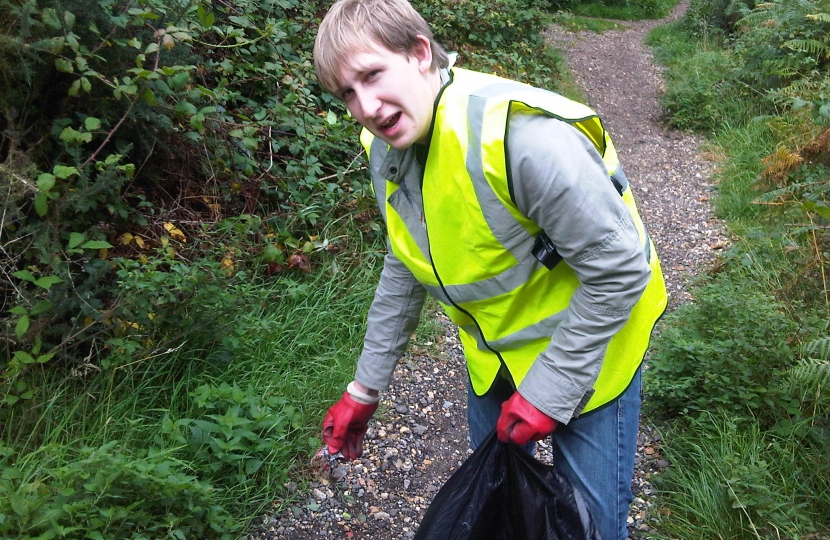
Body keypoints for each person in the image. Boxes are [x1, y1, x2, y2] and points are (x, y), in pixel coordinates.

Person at [312, 1, 668, 538]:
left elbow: (619, 269)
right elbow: (405, 262)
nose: (365, 106)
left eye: (372, 75)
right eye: (347, 92)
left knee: (587, 528)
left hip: (595, 352)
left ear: (419, 54)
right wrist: (365, 388)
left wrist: (550, 390)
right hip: (496, 355)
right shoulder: (387, 148)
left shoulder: (524, 140)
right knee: (497, 515)